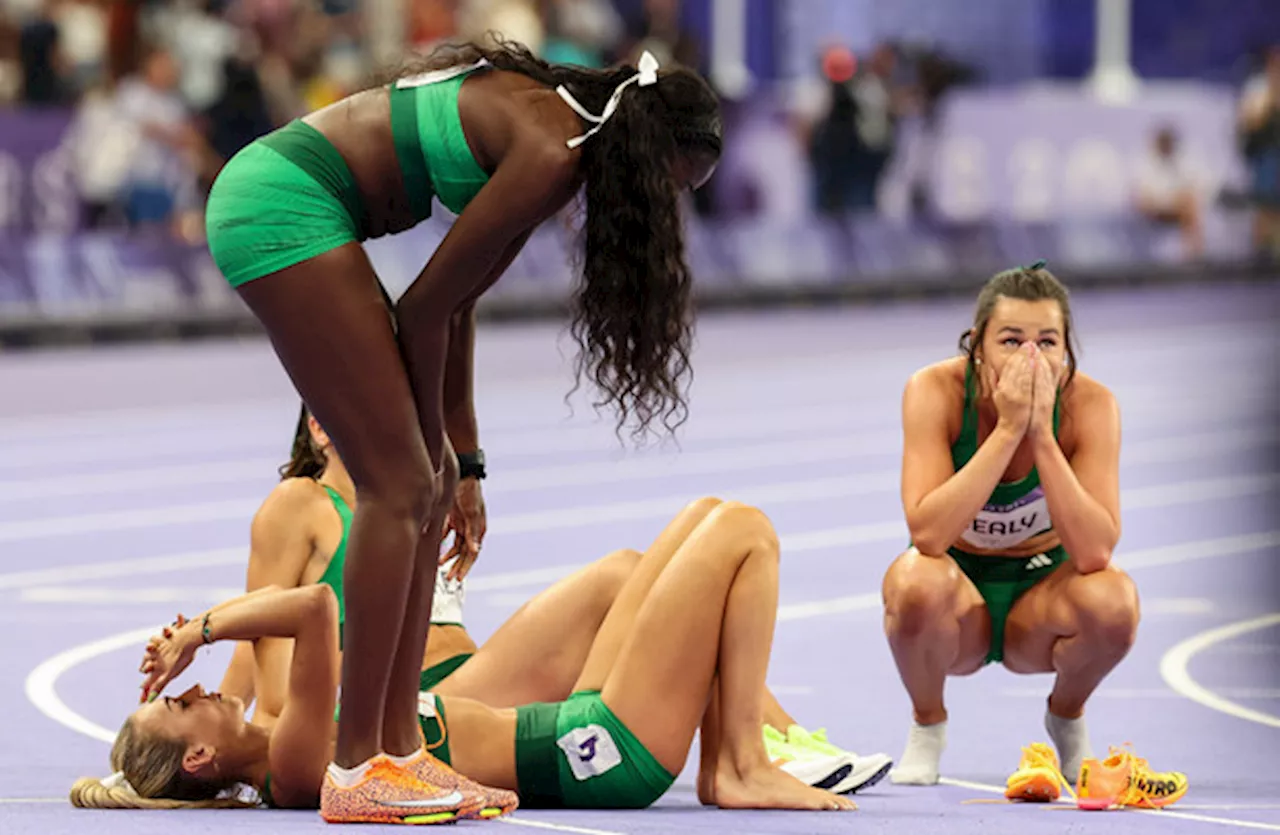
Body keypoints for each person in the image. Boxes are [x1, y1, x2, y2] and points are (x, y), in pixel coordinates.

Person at [202, 36, 721, 820]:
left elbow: (459, 297)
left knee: (427, 480)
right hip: (277, 202)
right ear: (646, 154)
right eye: (673, 187)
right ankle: (356, 769)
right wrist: (430, 453)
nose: (667, 206)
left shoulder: (559, 135)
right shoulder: (551, 150)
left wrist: (466, 462)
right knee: (402, 482)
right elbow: (423, 308)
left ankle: (403, 752)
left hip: (298, 199)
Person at [216, 406, 892, 795]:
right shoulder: (300, 504)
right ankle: (754, 751)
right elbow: (272, 664)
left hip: (464, 687)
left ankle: (764, 736)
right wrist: (239, 709)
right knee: (725, 541)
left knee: (623, 572)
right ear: (319, 431)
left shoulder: (408, 499)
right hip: (416, 697)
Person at [72, 500, 858, 814]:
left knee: (693, 526)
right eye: (181, 704)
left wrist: (203, 639)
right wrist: (198, 631)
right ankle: (738, 763)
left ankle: (731, 755)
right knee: (743, 531)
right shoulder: (296, 760)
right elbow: (315, 609)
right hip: (603, 752)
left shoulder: (281, 742)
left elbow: (280, 643)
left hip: (568, 723)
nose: (198, 686)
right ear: (203, 756)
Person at [881, 262, 1139, 788]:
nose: (1030, 357)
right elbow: (929, 535)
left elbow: (1094, 554)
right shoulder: (934, 391)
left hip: (1040, 600)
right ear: (978, 345)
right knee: (912, 582)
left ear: (1067, 349)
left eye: (1047, 341)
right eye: (1011, 340)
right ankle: (927, 725)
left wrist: (1041, 436)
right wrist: (1005, 432)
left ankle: (1066, 715)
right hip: (957, 603)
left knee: (1116, 601)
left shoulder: (1091, 405)